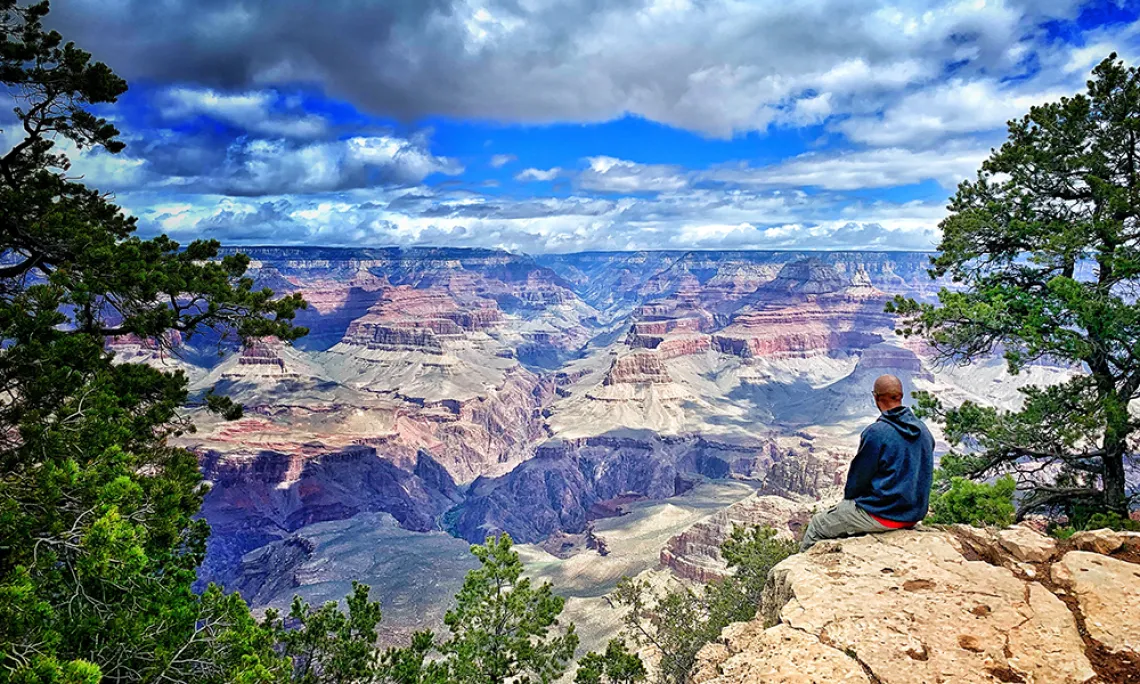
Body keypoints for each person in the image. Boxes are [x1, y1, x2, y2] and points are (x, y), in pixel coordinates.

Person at [800, 374, 934, 552]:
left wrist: (850, 503)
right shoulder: (924, 430)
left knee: (818, 524)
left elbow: (858, 480)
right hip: (913, 514)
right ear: (900, 396)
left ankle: (807, 573)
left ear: (876, 397)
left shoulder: (876, 433)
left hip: (883, 514)